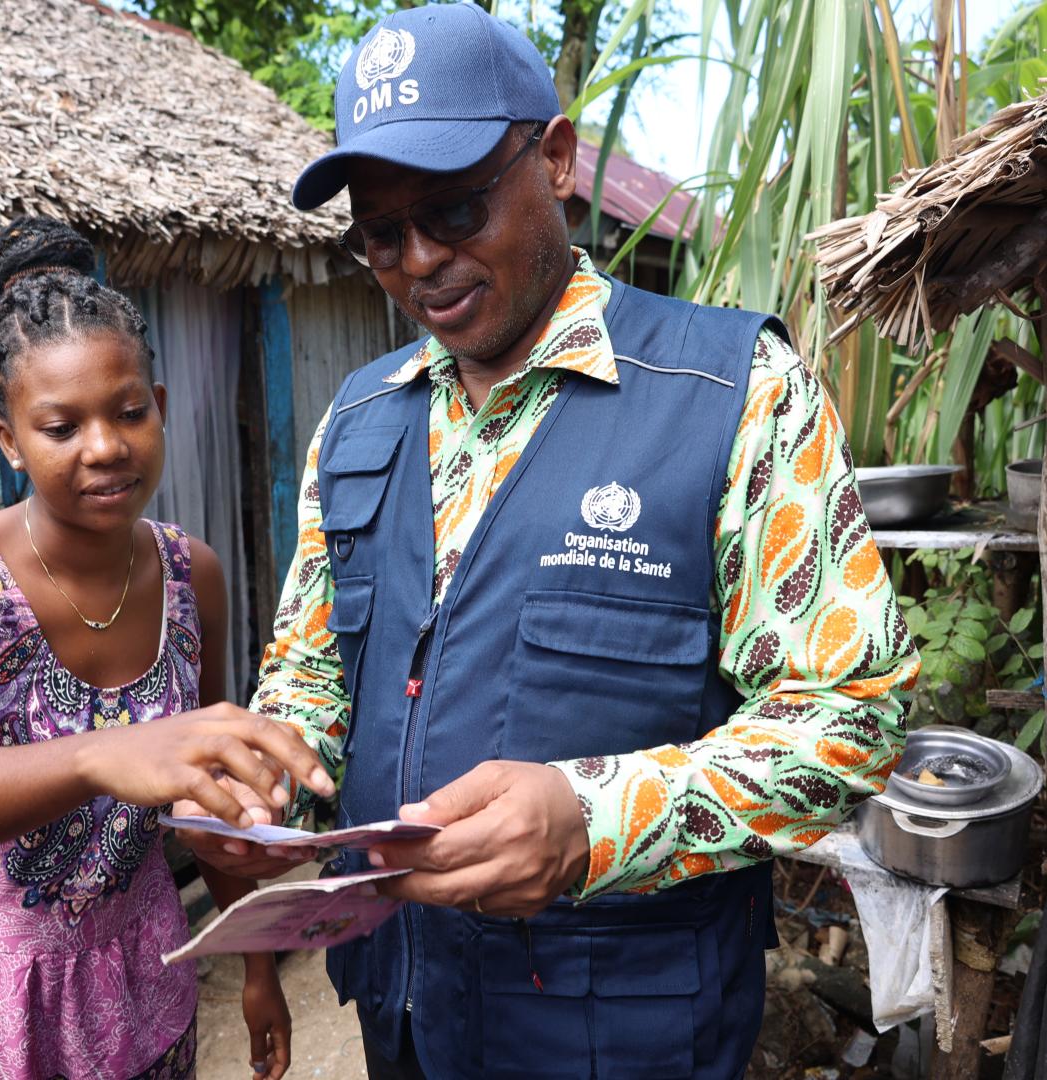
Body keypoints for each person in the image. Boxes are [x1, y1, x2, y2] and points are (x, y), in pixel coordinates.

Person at [189, 7, 918, 1079]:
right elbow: (311, 679)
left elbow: (851, 713)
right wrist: (262, 791)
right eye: (381, 236)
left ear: (559, 159)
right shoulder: (357, 420)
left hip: (626, 1032)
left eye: (451, 208)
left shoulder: (733, 394)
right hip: (402, 1013)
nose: (421, 262)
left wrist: (594, 820)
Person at [0, 217, 335, 1080]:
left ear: (159, 404)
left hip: (136, 978)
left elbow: (207, 796)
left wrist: (257, 963)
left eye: (127, 412)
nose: (106, 447)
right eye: (60, 427)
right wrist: (106, 755)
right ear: (11, 441)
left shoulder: (194, 574)